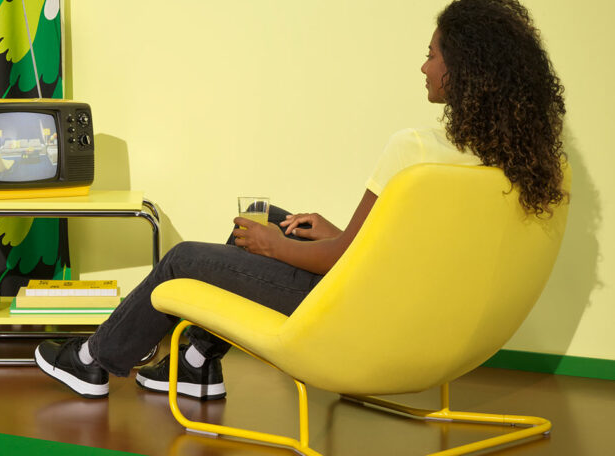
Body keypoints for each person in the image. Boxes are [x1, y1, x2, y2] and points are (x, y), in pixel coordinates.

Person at [34, 0, 566, 400]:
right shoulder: (504, 164)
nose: (423, 67)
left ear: (463, 70)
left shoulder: (416, 150)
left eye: (431, 55)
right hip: (412, 313)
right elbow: (400, 252)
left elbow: (338, 262)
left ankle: (92, 359)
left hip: (348, 315)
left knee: (184, 260)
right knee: (275, 218)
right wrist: (321, 232)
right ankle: (197, 359)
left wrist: (271, 246)